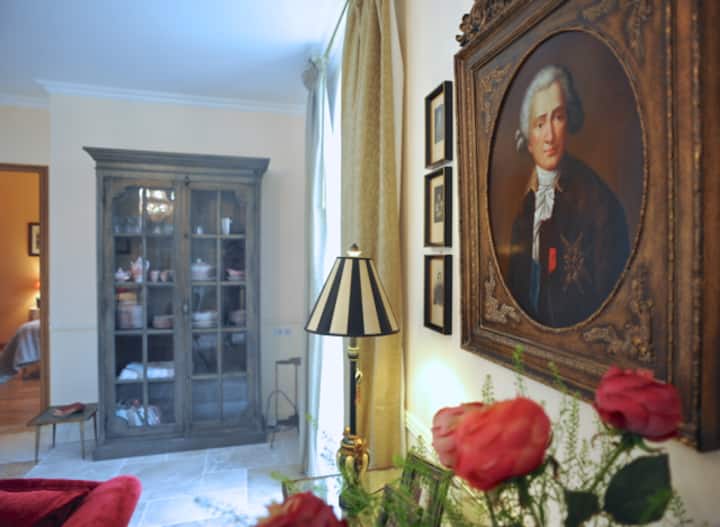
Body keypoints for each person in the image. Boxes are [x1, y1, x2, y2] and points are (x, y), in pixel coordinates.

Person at [506, 65, 630, 327]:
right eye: (540, 124)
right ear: (528, 139)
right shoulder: (524, 206)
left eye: (558, 118)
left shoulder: (599, 203)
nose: (549, 136)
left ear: (569, 122)